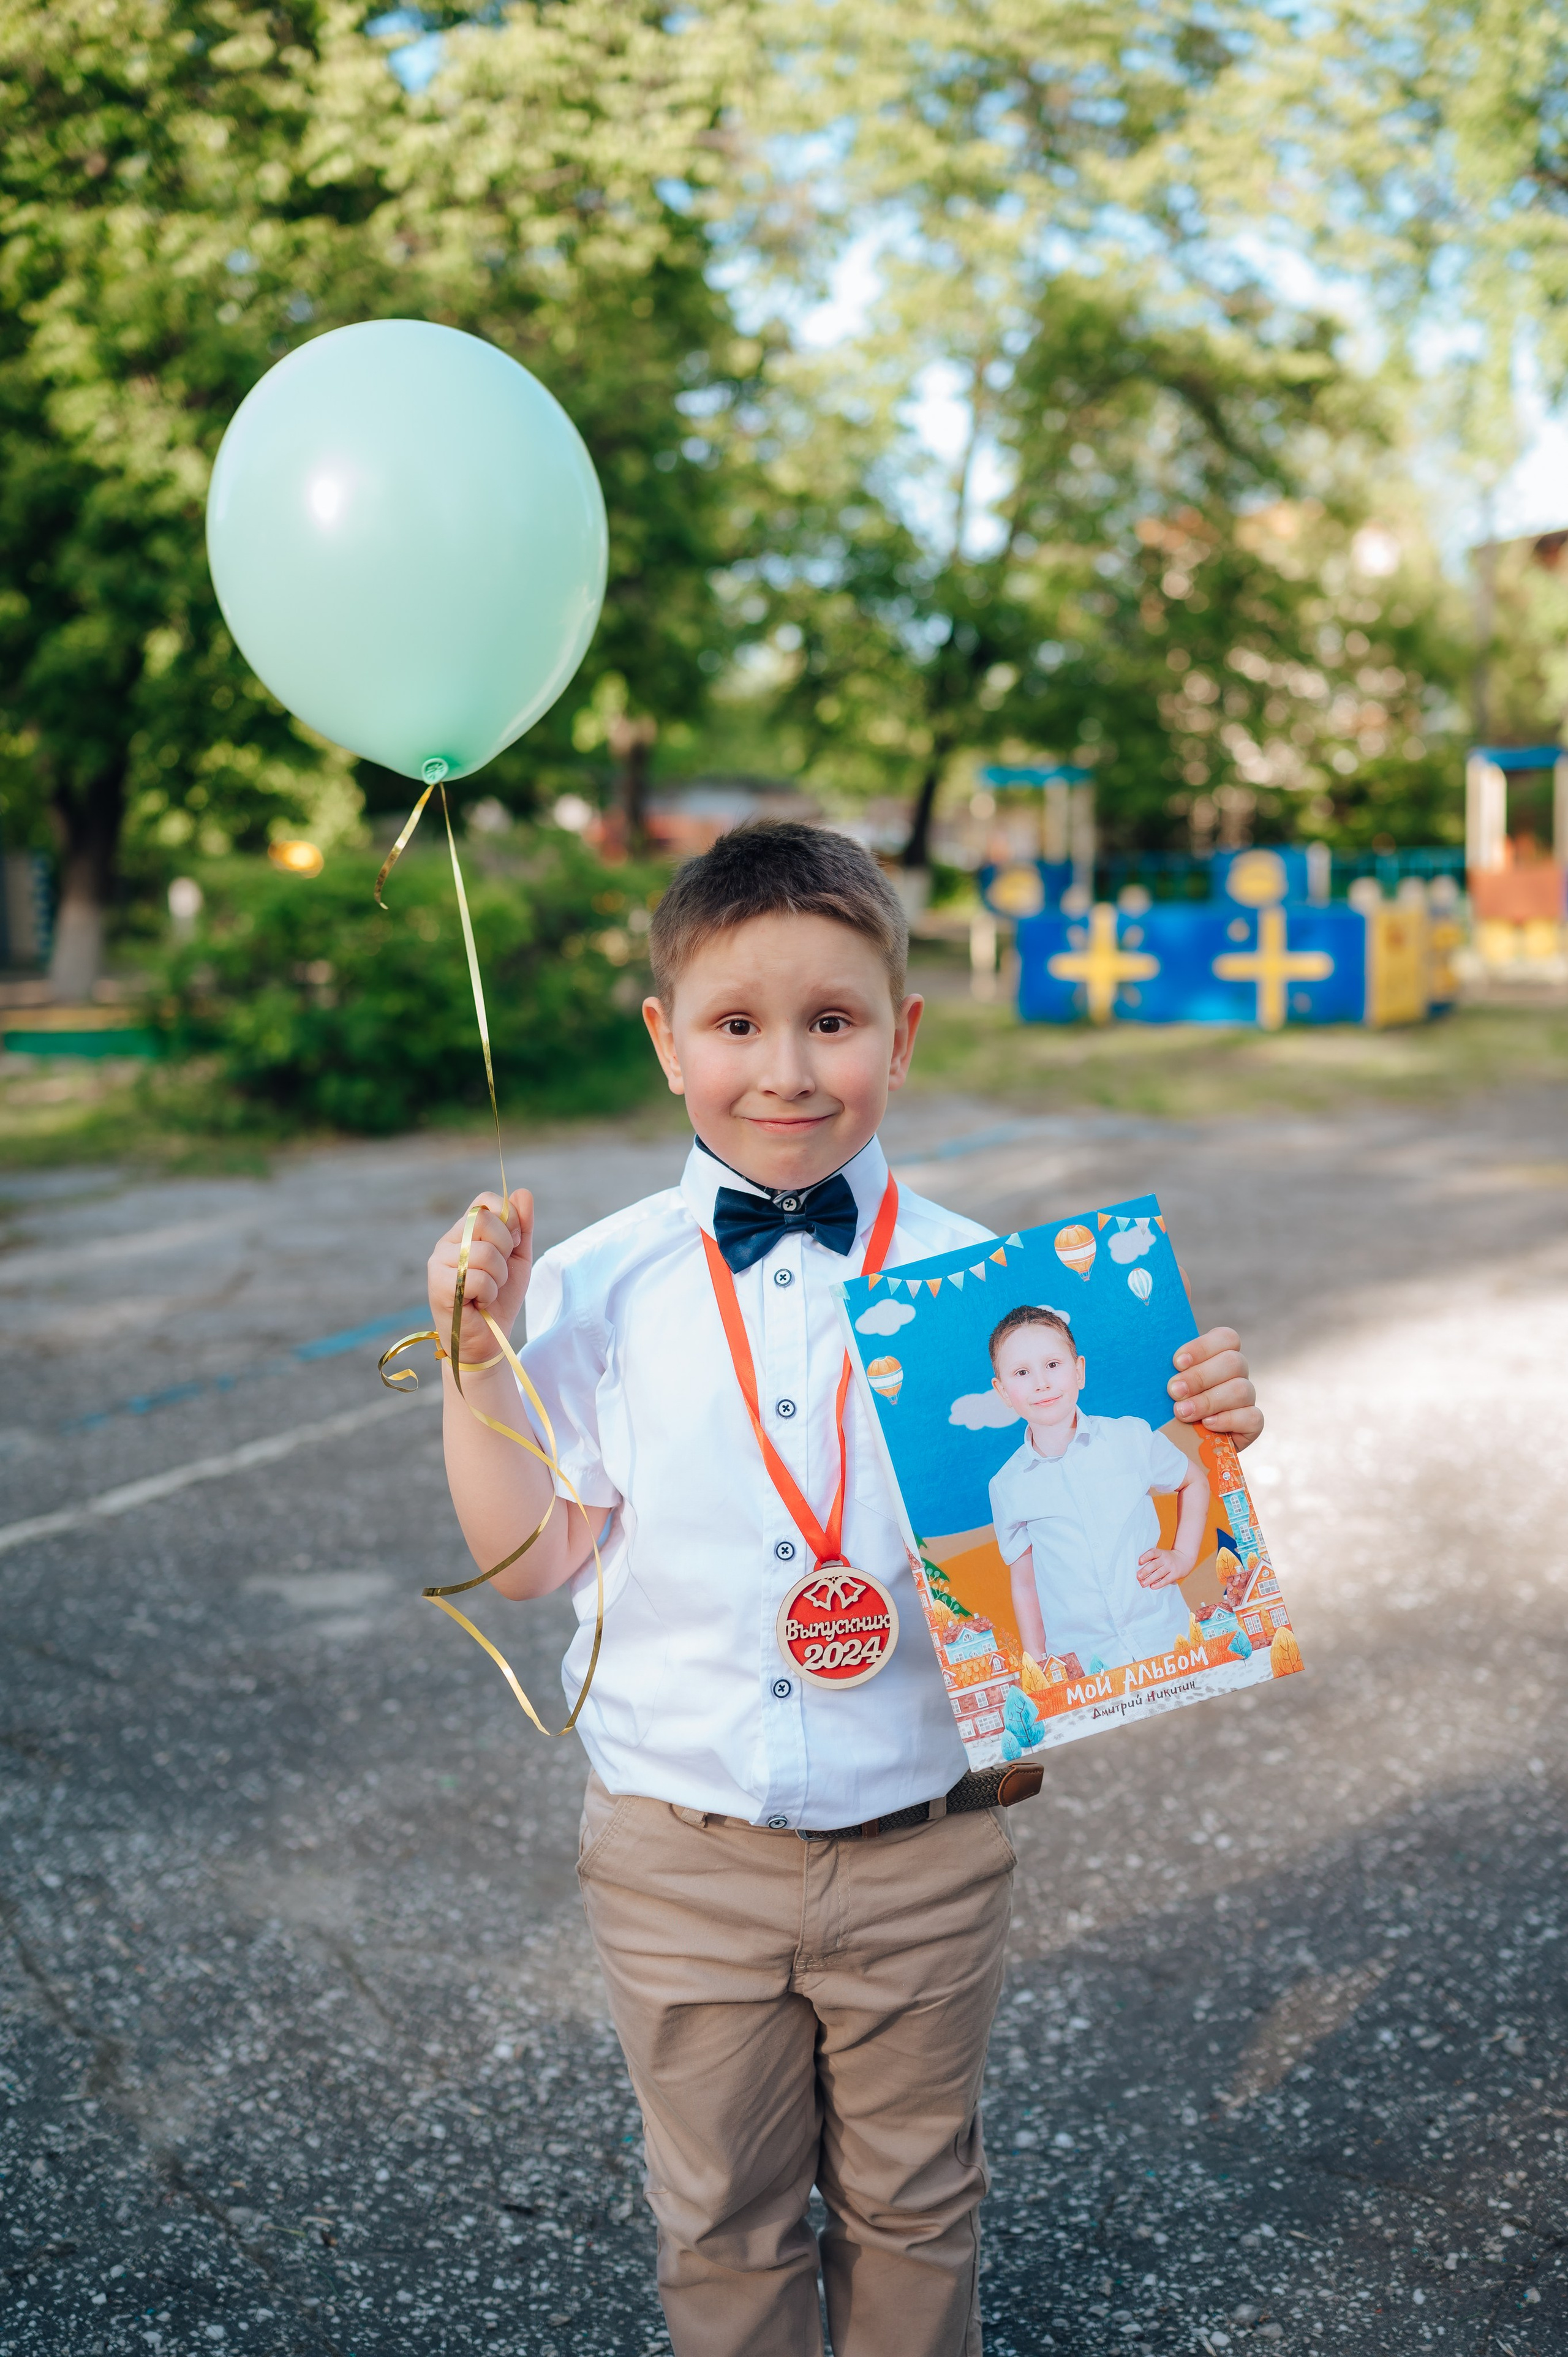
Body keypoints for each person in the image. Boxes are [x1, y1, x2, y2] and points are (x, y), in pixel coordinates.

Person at [425, 824, 1261, 2357]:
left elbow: (1147, 1527)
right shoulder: (596, 1288)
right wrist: (479, 1356)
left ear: (902, 1031)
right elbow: (534, 1554)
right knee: (723, 2221)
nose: (788, 1070)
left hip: (921, 1848)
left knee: (915, 2199)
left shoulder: (999, 1299)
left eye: (832, 1021)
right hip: (679, 1851)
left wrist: (1199, 1432)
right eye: (736, 1024)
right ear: (665, 1040)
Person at [987, 1305, 1209, 1680]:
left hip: (1166, 1637)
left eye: (1053, 1365)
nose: (1041, 1382)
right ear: (1003, 1392)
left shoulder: (1131, 1438)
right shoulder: (1007, 1485)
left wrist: (1183, 1556)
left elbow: (1194, 1481)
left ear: (1079, 1372)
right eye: (1022, 1373)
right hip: (1086, 1665)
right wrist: (1039, 1663)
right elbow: (1025, 1583)